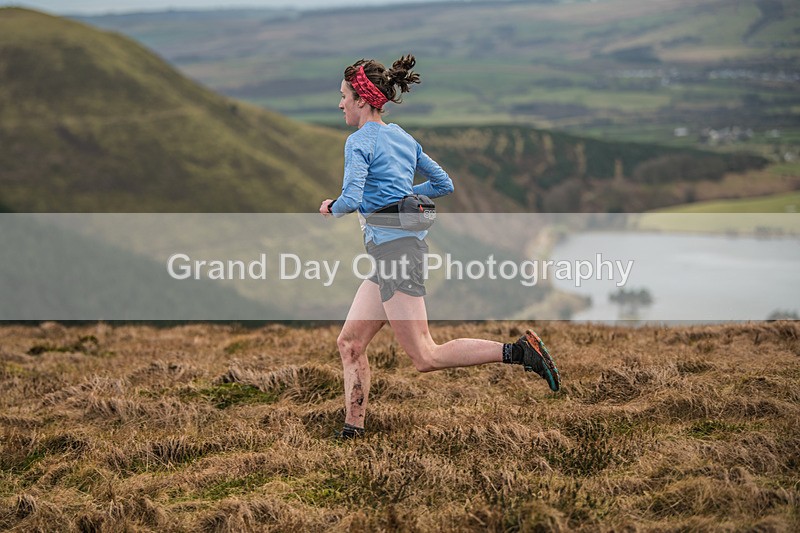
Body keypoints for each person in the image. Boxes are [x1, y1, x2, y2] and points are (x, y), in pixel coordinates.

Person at [319, 55, 560, 439]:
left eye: (344, 96)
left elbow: (349, 198)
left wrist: (332, 206)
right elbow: (443, 184)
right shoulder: (402, 137)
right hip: (392, 256)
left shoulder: (358, 142)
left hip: (397, 256)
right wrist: (403, 195)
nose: (340, 104)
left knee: (425, 356)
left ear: (362, 100)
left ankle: (519, 352)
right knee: (349, 343)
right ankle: (353, 430)